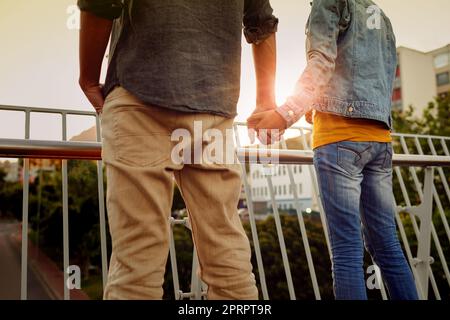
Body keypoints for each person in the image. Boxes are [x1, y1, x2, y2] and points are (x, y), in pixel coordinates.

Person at [78, 0, 278, 300]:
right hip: (213, 109)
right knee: (226, 250)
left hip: (140, 94)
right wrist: (265, 102)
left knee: (137, 263)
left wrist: (89, 77)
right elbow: (261, 22)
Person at [247, 0, 419, 300]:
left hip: (339, 141)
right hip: (379, 141)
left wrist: (285, 114)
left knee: (347, 252)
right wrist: (319, 105)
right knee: (388, 247)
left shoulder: (330, 3)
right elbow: (371, 78)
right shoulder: (381, 16)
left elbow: (322, 62)